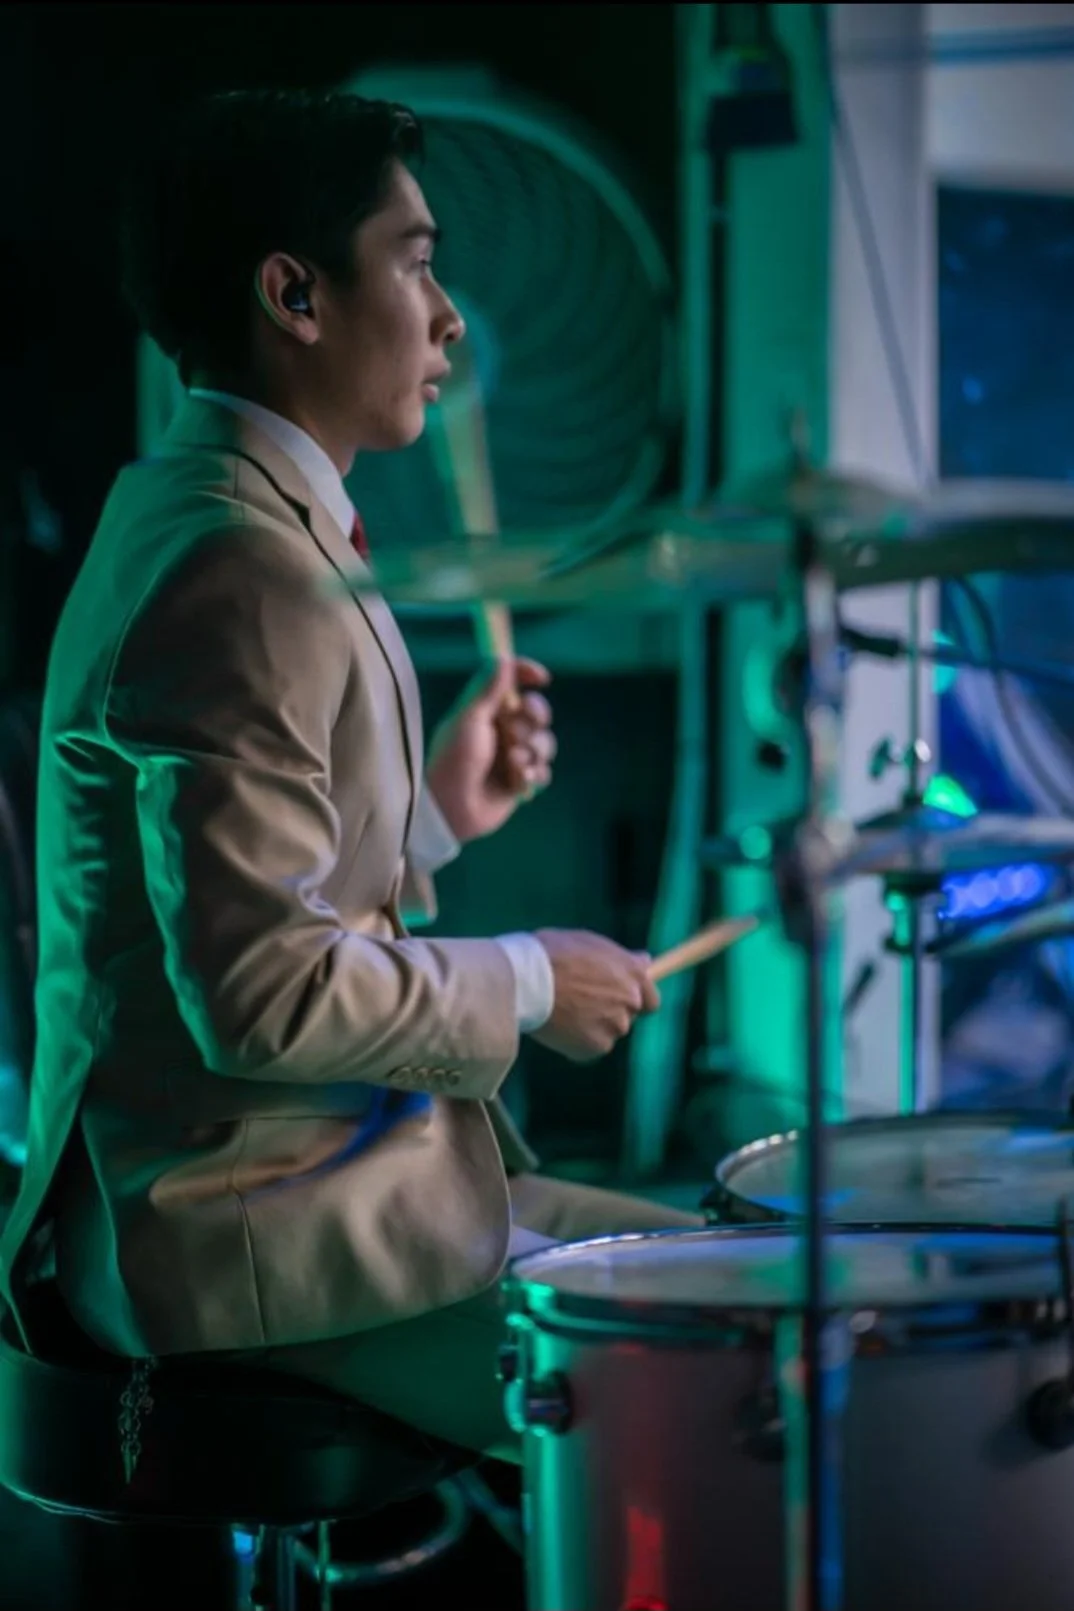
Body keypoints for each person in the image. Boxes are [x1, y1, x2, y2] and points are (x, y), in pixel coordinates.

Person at [0, 89, 699, 1462]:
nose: (451, 319)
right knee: (727, 1384)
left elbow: (236, 896)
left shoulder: (214, 507)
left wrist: (431, 815)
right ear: (294, 295)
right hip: (241, 1237)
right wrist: (532, 980)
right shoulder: (241, 564)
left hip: (326, 1180)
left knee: (730, 1275)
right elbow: (260, 998)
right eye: (417, 263)